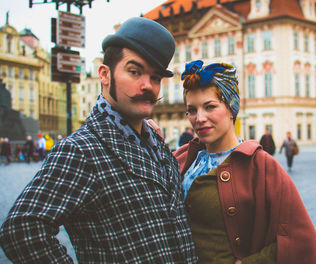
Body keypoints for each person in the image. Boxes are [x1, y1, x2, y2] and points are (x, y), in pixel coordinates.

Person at [0, 17, 196, 263]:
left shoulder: (154, 142)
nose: (148, 85)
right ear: (104, 74)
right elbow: (21, 231)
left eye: (156, 77)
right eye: (134, 71)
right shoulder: (81, 149)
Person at [174, 60, 316, 263]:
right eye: (192, 110)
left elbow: (299, 240)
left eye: (210, 107)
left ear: (231, 108)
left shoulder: (262, 166)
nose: (199, 118)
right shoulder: (181, 159)